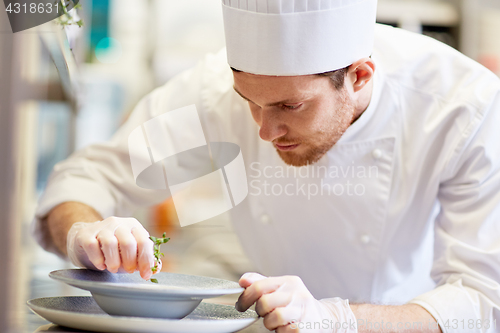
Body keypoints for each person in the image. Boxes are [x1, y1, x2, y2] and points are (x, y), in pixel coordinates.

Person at [33, 0, 500, 332]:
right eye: (249, 102)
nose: (264, 131)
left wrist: (336, 322)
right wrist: (85, 236)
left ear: (358, 77)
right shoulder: (214, 93)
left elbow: (482, 303)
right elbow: (87, 180)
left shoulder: (462, 108)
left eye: (290, 106)